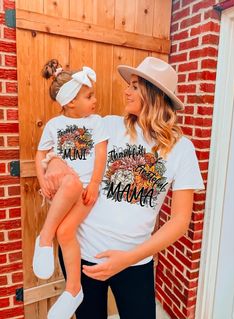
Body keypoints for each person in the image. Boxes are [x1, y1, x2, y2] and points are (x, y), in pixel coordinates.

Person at [44, 57, 204, 319]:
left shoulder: (182, 149)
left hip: (135, 262)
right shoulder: (106, 125)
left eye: (135, 86)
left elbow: (180, 221)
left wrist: (127, 259)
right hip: (84, 255)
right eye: (129, 85)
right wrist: (54, 161)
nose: (126, 91)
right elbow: (61, 145)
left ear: (154, 94)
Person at [32, 59, 108, 319]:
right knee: (70, 182)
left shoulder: (96, 122)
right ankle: (45, 240)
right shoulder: (54, 125)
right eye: (89, 96)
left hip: (86, 191)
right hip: (65, 189)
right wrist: (43, 181)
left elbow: (101, 155)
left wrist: (96, 183)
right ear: (71, 101)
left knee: (65, 231)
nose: (94, 100)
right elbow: (40, 153)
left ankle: (73, 288)